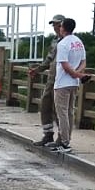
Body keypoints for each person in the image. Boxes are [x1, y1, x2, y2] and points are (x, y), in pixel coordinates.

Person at [46, 18, 86, 154]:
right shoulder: (78, 42)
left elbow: (64, 64)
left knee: (62, 113)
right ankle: (67, 139)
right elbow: (83, 62)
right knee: (70, 112)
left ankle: (64, 142)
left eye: (60, 26)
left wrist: (74, 74)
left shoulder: (62, 44)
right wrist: (78, 74)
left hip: (62, 83)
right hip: (74, 84)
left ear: (63, 28)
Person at [28, 14, 65, 146]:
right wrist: (37, 69)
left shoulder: (68, 40)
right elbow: (49, 58)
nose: (55, 27)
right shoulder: (55, 41)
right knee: (45, 104)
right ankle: (48, 134)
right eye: (54, 24)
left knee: (59, 109)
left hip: (63, 79)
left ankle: (62, 138)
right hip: (52, 77)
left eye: (57, 24)